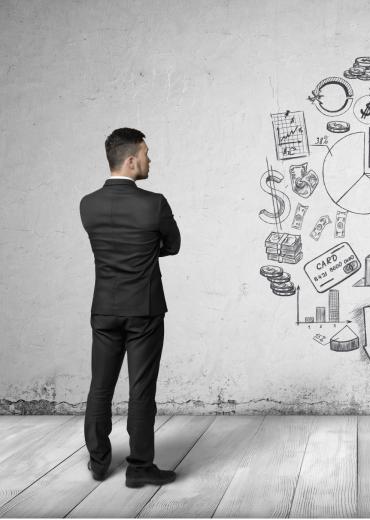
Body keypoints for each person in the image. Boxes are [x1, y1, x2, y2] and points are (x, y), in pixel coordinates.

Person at [79, 128, 180, 488]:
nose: (150, 160)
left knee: (100, 386)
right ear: (132, 159)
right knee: (141, 390)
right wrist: (150, 251)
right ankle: (139, 467)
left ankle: (98, 460)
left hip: (104, 306)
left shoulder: (87, 204)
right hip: (145, 308)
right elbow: (174, 245)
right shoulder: (154, 204)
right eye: (147, 154)